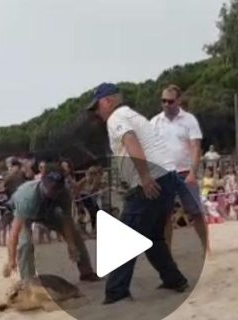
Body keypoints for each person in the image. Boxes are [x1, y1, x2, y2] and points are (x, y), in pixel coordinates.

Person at [88, 82, 188, 304]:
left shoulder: (116, 118)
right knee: (153, 237)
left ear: (108, 101)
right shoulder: (134, 115)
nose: (97, 112)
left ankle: (116, 293)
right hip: (168, 177)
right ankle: (174, 280)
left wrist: (144, 177)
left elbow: (131, 141)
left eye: (97, 107)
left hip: (151, 180)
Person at [5, 168, 99, 282]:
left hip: (47, 212)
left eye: (56, 188)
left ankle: (86, 272)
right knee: (25, 243)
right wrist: (11, 260)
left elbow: (67, 220)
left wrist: (71, 245)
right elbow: (14, 233)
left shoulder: (64, 193)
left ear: (61, 187)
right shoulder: (27, 197)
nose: (52, 190)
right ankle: (27, 281)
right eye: (50, 187)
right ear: (43, 182)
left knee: (75, 233)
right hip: (25, 212)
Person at [150, 85, 210, 254]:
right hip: (163, 173)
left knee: (196, 211)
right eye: (163, 101)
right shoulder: (155, 122)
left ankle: (206, 247)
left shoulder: (189, 120)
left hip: (184, 172)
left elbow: (195, 147)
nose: (166, 104)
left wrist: (193, 171)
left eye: (170, 101)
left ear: (178, 101)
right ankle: (167, 252)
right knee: (165, 216)